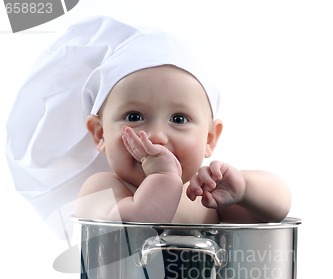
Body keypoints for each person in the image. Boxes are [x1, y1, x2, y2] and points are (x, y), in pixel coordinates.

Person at [6, 16, 291, 235]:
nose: (155, 135)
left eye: (179, 119)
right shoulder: (101, 190)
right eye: (134, 117)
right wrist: (165, 177)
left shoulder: (204, 197)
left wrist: (244, 189)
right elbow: (134, 228)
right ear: (100, 133)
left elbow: (276, 211)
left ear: (209, 138)